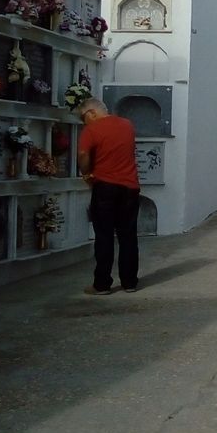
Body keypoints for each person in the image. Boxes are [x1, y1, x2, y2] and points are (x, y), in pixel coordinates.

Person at [76, 98, 141, 294]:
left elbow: (83, 155)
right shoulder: (127, 125)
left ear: (91, 113)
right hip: (130, 187)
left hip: (105, 186)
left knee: (104, 236)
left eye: (83, 118)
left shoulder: (92, 130)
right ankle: (129, 282)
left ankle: (102, 284)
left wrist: (86, 174)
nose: (83, 122)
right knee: (128, 236)